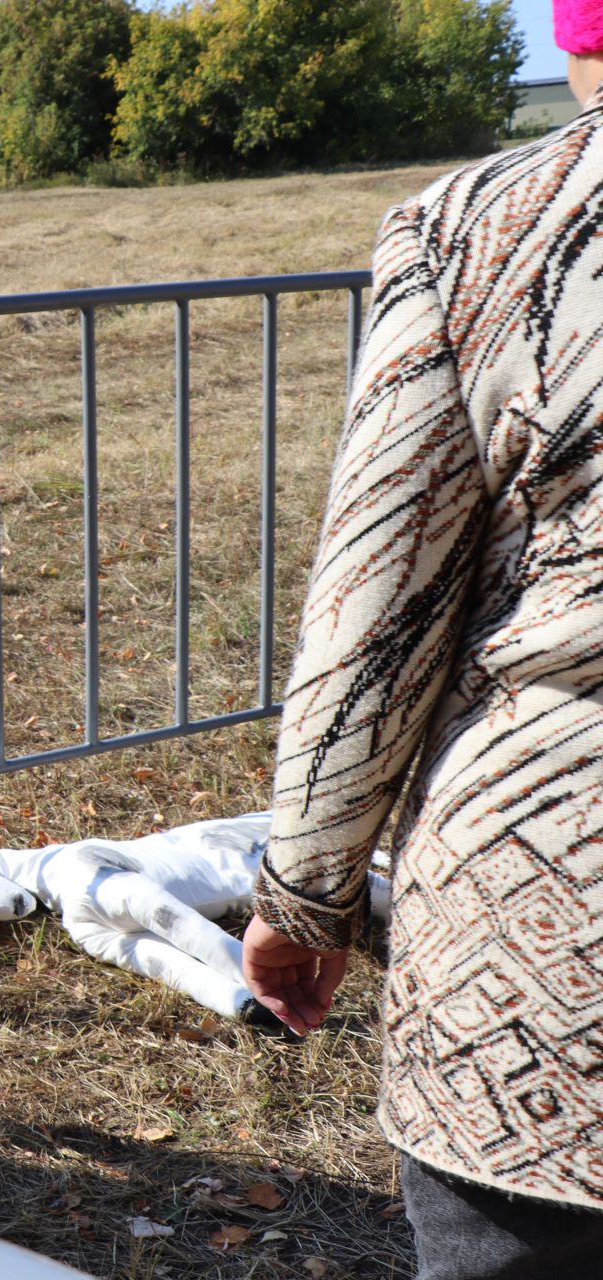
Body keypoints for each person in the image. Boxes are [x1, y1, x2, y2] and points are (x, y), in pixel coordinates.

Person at [245, 6, 603, 1273]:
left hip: (549, 962)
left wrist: (304, 892)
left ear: (581, 40)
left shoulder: (480, 231)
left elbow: (376, 613)